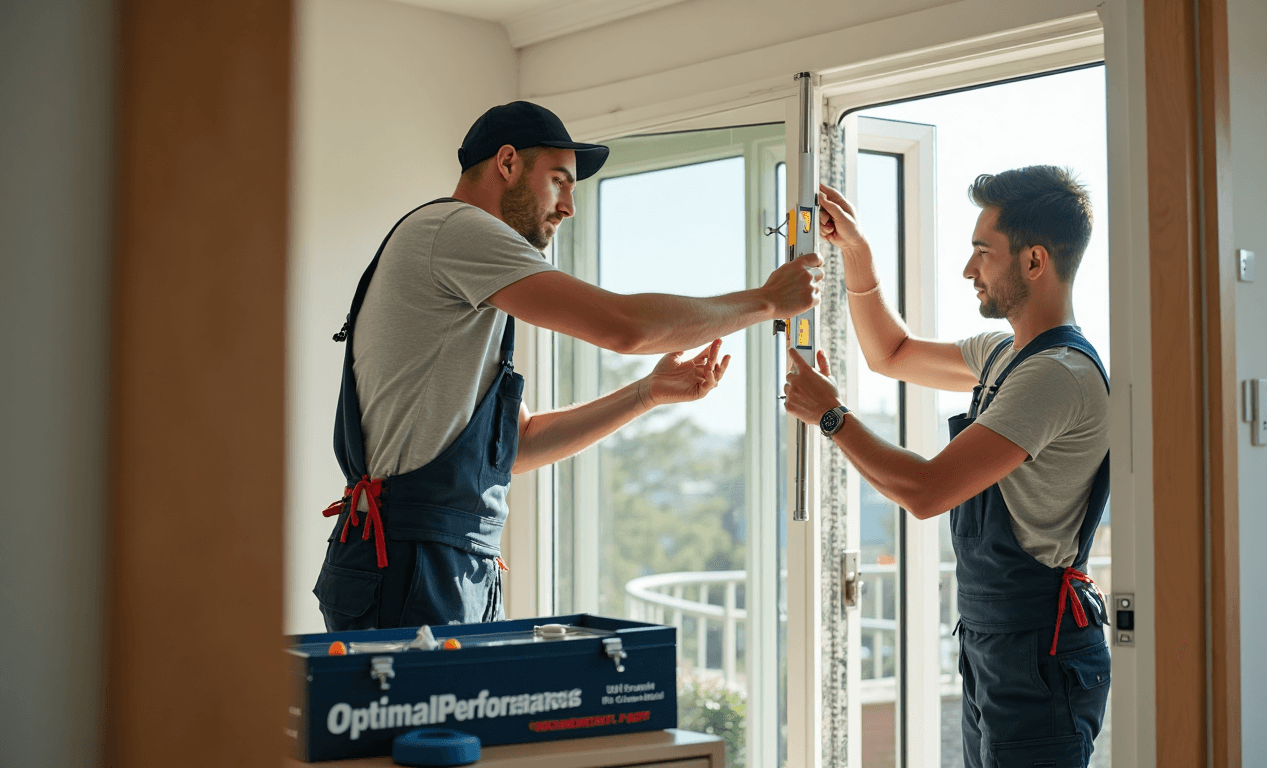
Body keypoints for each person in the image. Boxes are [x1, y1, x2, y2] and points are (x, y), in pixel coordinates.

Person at [314, 101, 823, 632]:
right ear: (507, 163)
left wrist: (646, 394)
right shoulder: (457, 229)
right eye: (559, 181)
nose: (569, 208)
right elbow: (624, 325)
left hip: (445, 562)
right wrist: (766, 301)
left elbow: (521, 442)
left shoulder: (471, 278)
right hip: (412, 565)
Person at [783, 168, 1110, 767]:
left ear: (1035, 261)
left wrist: (830, 416)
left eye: (982, 253)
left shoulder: (1056, 376)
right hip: (994, 641)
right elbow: (893, 353)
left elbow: (928, 490)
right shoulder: (1008, 356)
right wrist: (858, 254)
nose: (969, 270)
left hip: (1040, 652)